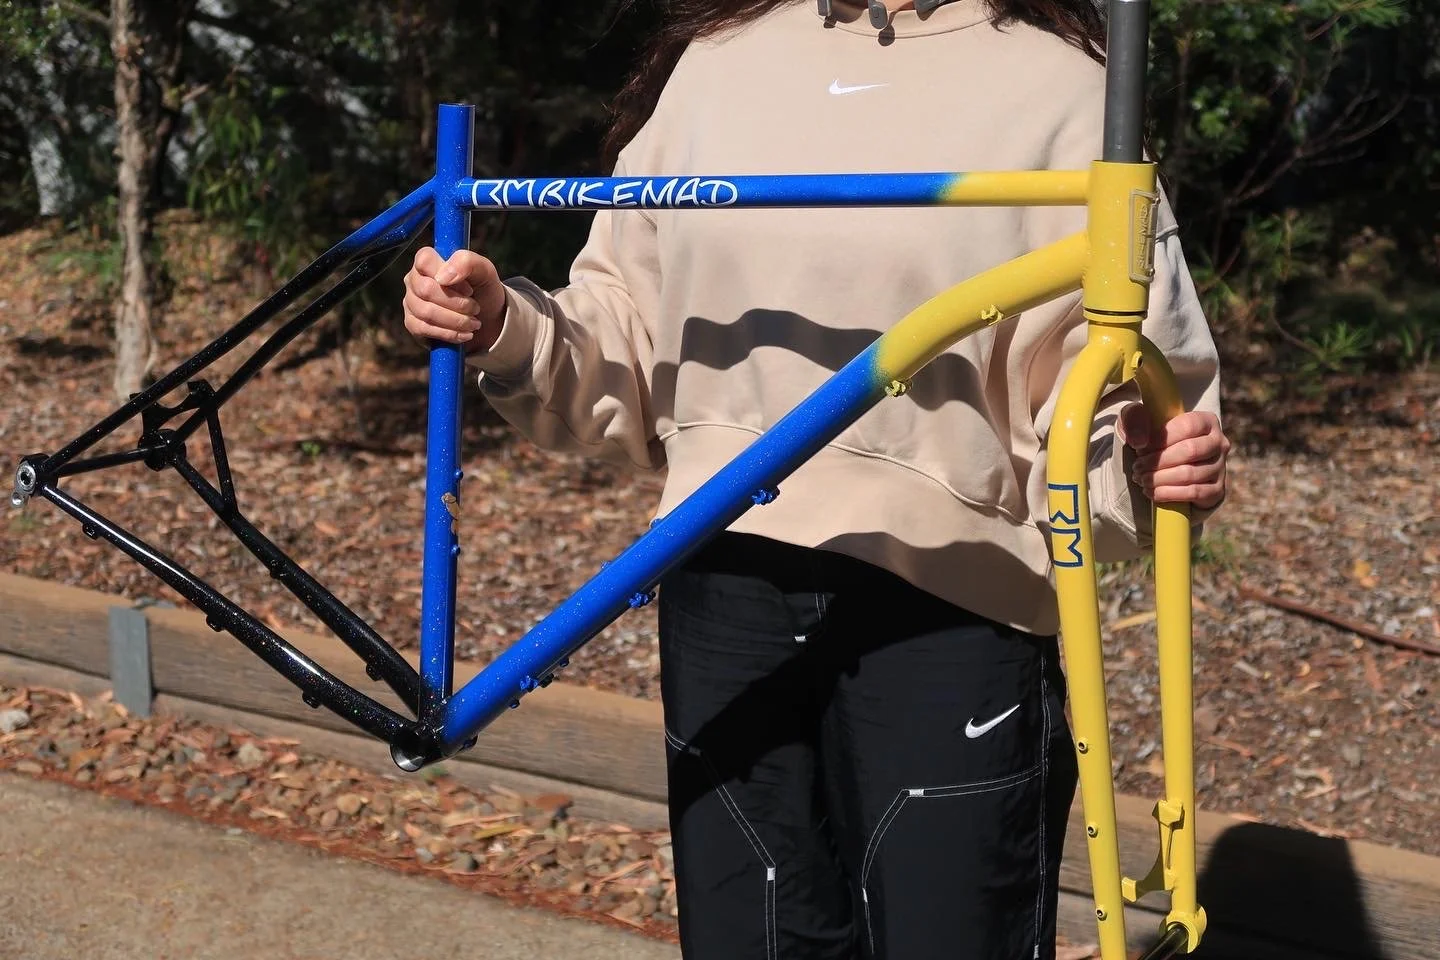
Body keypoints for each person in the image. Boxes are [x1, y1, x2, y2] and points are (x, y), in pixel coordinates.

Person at [401, 2, 1230, 957]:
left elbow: (1120, 378)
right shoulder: (716, 66)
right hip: (726, 581)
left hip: (952, 603)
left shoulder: (1067, 94)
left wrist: (1145, 461)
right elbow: (624, 334)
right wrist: (503, 319)